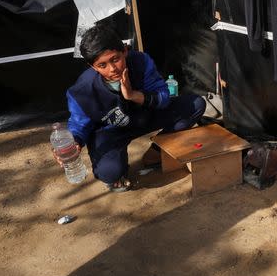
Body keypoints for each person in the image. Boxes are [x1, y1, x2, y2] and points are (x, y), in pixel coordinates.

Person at [56, 25, 205, 191]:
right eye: (102, 65)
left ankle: (157, 150)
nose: (113, 69)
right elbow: (78, 123)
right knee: (110, 173)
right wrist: (75, 141)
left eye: (115, 59)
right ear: (93, 67)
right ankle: (117, 170)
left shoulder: (141, 62)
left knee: (195, 105)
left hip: (145, 116)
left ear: (125, 51)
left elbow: (163, 97)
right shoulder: (82, 91)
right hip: (111, 130)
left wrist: (133, 95)